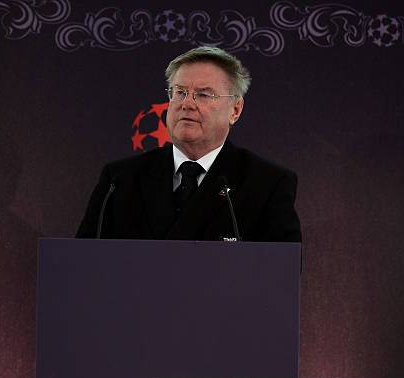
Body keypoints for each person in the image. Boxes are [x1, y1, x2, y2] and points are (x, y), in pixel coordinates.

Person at [76, 46, 301, 242]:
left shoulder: (267, 183)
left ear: (235, 110)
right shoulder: (119, 180)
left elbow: (280, 277)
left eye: (203, 95)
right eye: (180, 92)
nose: (187, 104)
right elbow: (82, 264)